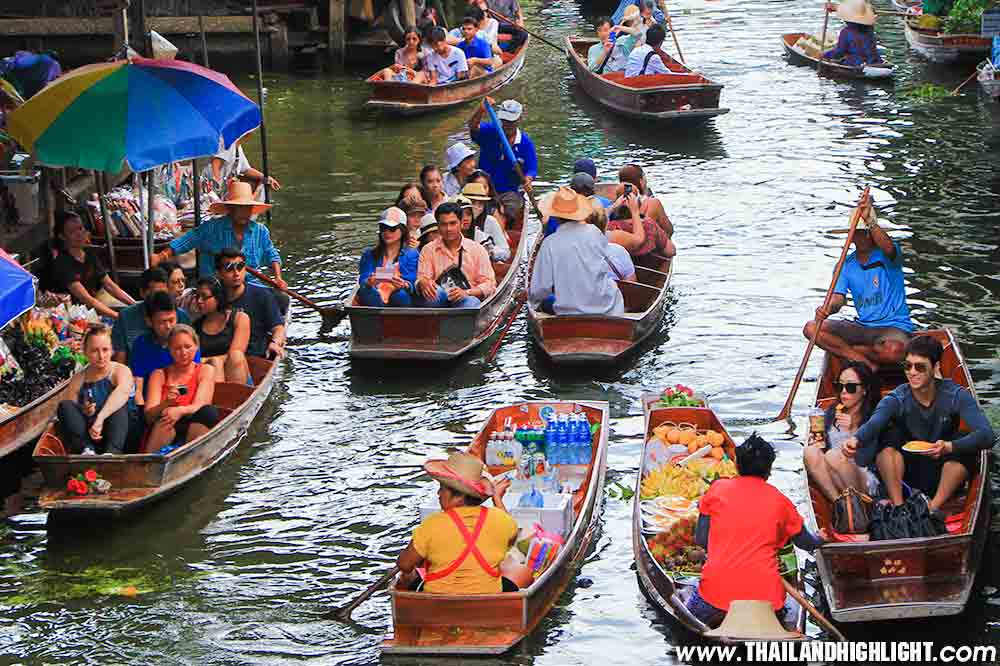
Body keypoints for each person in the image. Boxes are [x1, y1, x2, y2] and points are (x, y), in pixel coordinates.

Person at [686, 434, 831, 628]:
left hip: (716, 597)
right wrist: (820, 539)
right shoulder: (781, 502)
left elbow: (702, 539)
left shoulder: (717, 489)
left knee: (690, 600)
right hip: (768, 602)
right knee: (790, 606)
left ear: (737, 465)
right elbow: (806, 543)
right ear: (769, 470)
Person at [844, 336, 995, 513]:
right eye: (907, 366)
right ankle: (899, 507)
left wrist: (948, 447)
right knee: (888, 435)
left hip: (943, 471)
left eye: (920, 367)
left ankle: (932, 508)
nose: (912, 372)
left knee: (963, 442)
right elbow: (875, 422)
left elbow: (987, 435)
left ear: (936, 368)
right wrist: (856, 439)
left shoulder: (955, 394)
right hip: (906, 473)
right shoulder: (898, 397)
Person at [396, 451, 531, 594]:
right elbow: (510, 537)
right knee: (522, 571)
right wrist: (496, 498)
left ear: (458, 497)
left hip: (438, 599)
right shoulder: (501, 519)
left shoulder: (431, 524)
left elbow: (404, 565)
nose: (438, 494)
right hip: (488, 596)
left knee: (407, 577)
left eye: (442, 489)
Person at [803, 207, 912, 370]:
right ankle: (864, 362)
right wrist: (826, 309)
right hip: (863, 327)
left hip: (893, 327)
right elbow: (838, 298)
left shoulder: (888, 255)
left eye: (866, 231)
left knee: (893, 350)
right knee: (812, 328)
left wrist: (870, 221)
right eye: (859, 232)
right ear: (852, 235)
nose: (863, 236)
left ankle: (853, 352)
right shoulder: (845, 265)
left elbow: (889, 247)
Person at [154, 180, 285, 292]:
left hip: (250, 285)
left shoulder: (260, 231)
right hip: (214, 287)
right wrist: (161, 256)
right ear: (230, 209)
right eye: (239, 208)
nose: (243, 213)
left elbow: (271, 254)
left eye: (247, 208)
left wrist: (278, 278)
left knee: (280, 299)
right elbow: (186, 241)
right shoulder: (211, 228)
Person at [529, 187, 624, 316]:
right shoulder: (594, 232)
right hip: (608, 307)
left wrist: (532, 303)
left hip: (568, 312)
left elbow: (540, 289)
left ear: (555, 216)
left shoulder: (549, 243)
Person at [804, 361, 881, 503]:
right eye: (839, 386)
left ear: (864, 389)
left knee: (833, 456)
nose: (843, 391)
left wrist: (854, 430)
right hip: (833, 473)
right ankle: (839, 504)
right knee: (810, 452)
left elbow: (869, 458)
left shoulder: (874, 417)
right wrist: (816, 442)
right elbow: (824, 447)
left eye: (850, 387)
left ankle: (858, 504)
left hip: (863, 475)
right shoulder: (832, 412)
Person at [41, 212, 136, 319]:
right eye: (72, 231)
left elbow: (110, 285)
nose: (79, 234)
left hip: (93, 304)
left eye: (80, 228)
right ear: (62, 236)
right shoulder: (62, 264)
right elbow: (86, 299)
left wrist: (135, 305)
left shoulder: (89, 254)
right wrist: (118, 317)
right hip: (73, 314)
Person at [56, 324, 135, 455]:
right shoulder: (79, 379)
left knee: (119, 407)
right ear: (85, 352)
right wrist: (85, 410)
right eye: (94, 351)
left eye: (105, 350)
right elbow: (71, 412)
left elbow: (121, 394)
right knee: (64, 406)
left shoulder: (121, 371)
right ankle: (86, 449)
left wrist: (100, 418)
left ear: (112, 351)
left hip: (120, 432)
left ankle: (112, 453)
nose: (101, 356)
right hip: (92, 434)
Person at [143, 325, 219, 452]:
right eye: (177, 348)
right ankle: (151, 462)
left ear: (196, 346)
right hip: (166, 425)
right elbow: (149, 416)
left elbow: (201, 404)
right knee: (165, 419)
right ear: (170, 350)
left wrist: (180, 410)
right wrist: (166, 403)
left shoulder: (206, 370)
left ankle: (189, 456)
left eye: (188, 347)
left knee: (208, 412)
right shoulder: (159, 374)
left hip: (193, 423)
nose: (183, 353)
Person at [468, 97, 538, 222]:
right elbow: (473, 127)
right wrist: (480, 110)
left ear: (519, 119)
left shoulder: (525, 143)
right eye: (505, 121)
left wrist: (528, 179)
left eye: (511, 121)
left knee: (510, 210)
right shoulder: (491, 131)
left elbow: (532, 169)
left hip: (508, 192)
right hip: (484, 188)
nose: (507, 124)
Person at [415, 202, 497, 308]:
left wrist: (467, 292)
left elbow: (489, 285)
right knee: (435, 293)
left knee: (470, 303)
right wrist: (423, 282)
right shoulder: (428, 249)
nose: (448, 229)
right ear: (438, 226)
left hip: (467, 298)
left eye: (453, 223)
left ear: (461, 223)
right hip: (439, 299)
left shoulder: (477, 249)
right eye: (444, 224)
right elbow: (422, 277)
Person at [129, 291, 202, 405]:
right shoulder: (141, 344)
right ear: (149, 321)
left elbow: (192, 377)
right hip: (153, 404)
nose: (168, 326)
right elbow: (138, 384)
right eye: (162, 322)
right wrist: (141, 411)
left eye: (171, 320)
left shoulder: (187, 341)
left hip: (186, 402)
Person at [215, 248, 286, 359]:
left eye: (240, 267)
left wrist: (275, 342)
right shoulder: (214, 299)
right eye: (229, 269)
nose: (236, 273)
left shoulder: (262, 295)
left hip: (256, 356)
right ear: (219, 273)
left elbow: (278, 328)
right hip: (222, 357)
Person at [111, 267, 192, 364]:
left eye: (163, 293)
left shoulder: (182, 316)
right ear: (142, 292)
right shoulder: (125, 317)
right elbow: (120, 360)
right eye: (154, 294)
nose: (159, 299)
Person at [192, 277, 251, 385]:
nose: (199, 301)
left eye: (204, 297)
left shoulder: (239, 318)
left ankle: (235, 397)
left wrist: (207, 360)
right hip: (210, 375)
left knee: (235, 356)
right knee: (215, 364)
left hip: (236, 372)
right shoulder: (196, 326)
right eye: (197, 297)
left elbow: (237, 353)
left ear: (218, 298)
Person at [357, 207, 420, 307]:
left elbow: (411, 280)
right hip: (374, 295)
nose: (387, 232)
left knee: (401, 295)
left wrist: (404, 284)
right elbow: (364, 279)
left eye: (392, 229)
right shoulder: (368, 254)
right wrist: (370, 281)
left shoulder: (412, 254)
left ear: (402, 230)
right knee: (367, 292)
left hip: (400, 297)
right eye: (383, 228)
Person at [204, 138, 280, 200]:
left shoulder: (238, 147)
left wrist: (266, 177)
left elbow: (246, 170)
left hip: (222, 190)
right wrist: (218, 191)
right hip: (211, 189)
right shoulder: (226, 142)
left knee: (261, 183)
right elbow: (216, 165)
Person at [586, 198, 636, 282]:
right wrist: (635, 212)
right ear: (606, 224)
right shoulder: (618, 251)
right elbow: (631, 285)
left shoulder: (572, 254)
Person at [822, 0, 884, 67]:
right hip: (875, 60)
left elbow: (839, 52)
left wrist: (824, 55)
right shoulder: (870, 29)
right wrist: (836, 8)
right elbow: (862, 11)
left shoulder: (846, 32)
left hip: (856, 63)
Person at [462, 182, 511, 261]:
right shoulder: (454, 221)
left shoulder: (490, 221)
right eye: (473, 202)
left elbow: (506, 252)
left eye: (480, 204)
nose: (477, 208)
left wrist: (490, 251)